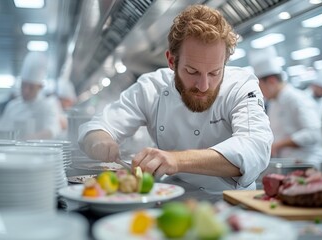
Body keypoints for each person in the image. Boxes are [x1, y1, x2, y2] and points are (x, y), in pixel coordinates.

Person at [79, 4, 273, 194]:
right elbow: (97, 127)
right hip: (172, 197)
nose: (204, 85)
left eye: (215, 72)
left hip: (230, 203)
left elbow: (254, 149)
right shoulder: (152, 87)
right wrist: (99, 140)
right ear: (171, 61)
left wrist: (176, 160)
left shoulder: (240, 86)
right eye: (192, 71)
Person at [252, 58, 322, 168]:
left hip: (307, 165)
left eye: (260, 87)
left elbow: (314, 133)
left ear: (272, 81)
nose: (260, 92)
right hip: (287, 164)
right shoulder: (274, 103)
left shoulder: (296, 98)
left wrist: (278, 145)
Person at [0, 52, 60, 140]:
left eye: (31, 87)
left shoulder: (48, 105)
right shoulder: (12, 106)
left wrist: (30, 139)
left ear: (40, 87)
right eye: (23, 85)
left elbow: (53, 130)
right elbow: (0, 132)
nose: (26, 91)